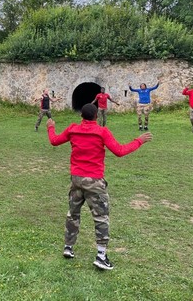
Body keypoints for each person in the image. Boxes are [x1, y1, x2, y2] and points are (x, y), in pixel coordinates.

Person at [47, 103, 152, 270]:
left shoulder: (73, 129)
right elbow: (119, 151)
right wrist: (139, 141)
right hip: (94, 181)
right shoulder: (101, 132)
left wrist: (51, 127)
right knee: (101, 217)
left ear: (81, 116)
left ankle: (68, 247)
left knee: (73, 214)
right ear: (97, 117)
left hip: (76, 179)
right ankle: (101, 256)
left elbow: (54, 141)